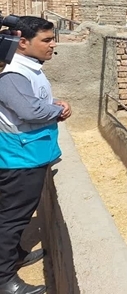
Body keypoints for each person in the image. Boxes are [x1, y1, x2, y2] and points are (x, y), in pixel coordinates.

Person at [0, 16, 71, 294]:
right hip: (20, 160)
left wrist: (53, 103)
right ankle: (5, 279)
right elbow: (31, 111)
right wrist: (59, 110)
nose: (53, 45)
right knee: (12, 218)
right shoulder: (13, 75)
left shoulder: (28, 68)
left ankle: (14, 255)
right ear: (23, 42)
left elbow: (32, 102)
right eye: (47, 40)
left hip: (29, 155)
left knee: (15, 214)